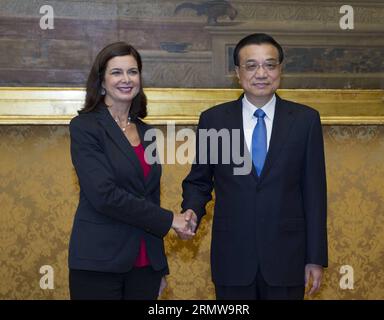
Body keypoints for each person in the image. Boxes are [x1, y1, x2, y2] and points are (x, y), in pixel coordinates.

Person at [181, 33, 328, 299]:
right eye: (251, 66)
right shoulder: (214, 120)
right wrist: (191, 210)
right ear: (237, 72)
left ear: (280, 69)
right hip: (232, 258)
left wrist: (315, 257)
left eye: (270, 65)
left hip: (287, 259)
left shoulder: (305, 120)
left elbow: (314, 194)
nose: (261, 73)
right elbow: (200, 181)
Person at [68, 42, 193, 300]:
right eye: (117, 72)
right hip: (99, 262)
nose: (126, 79)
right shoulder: (85, 127)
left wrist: (159, 267)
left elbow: (149, 198)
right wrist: (170, 220)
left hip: (145, 264)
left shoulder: (147, 132)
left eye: (133, 72)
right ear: (101, 81)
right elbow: (104, 195)